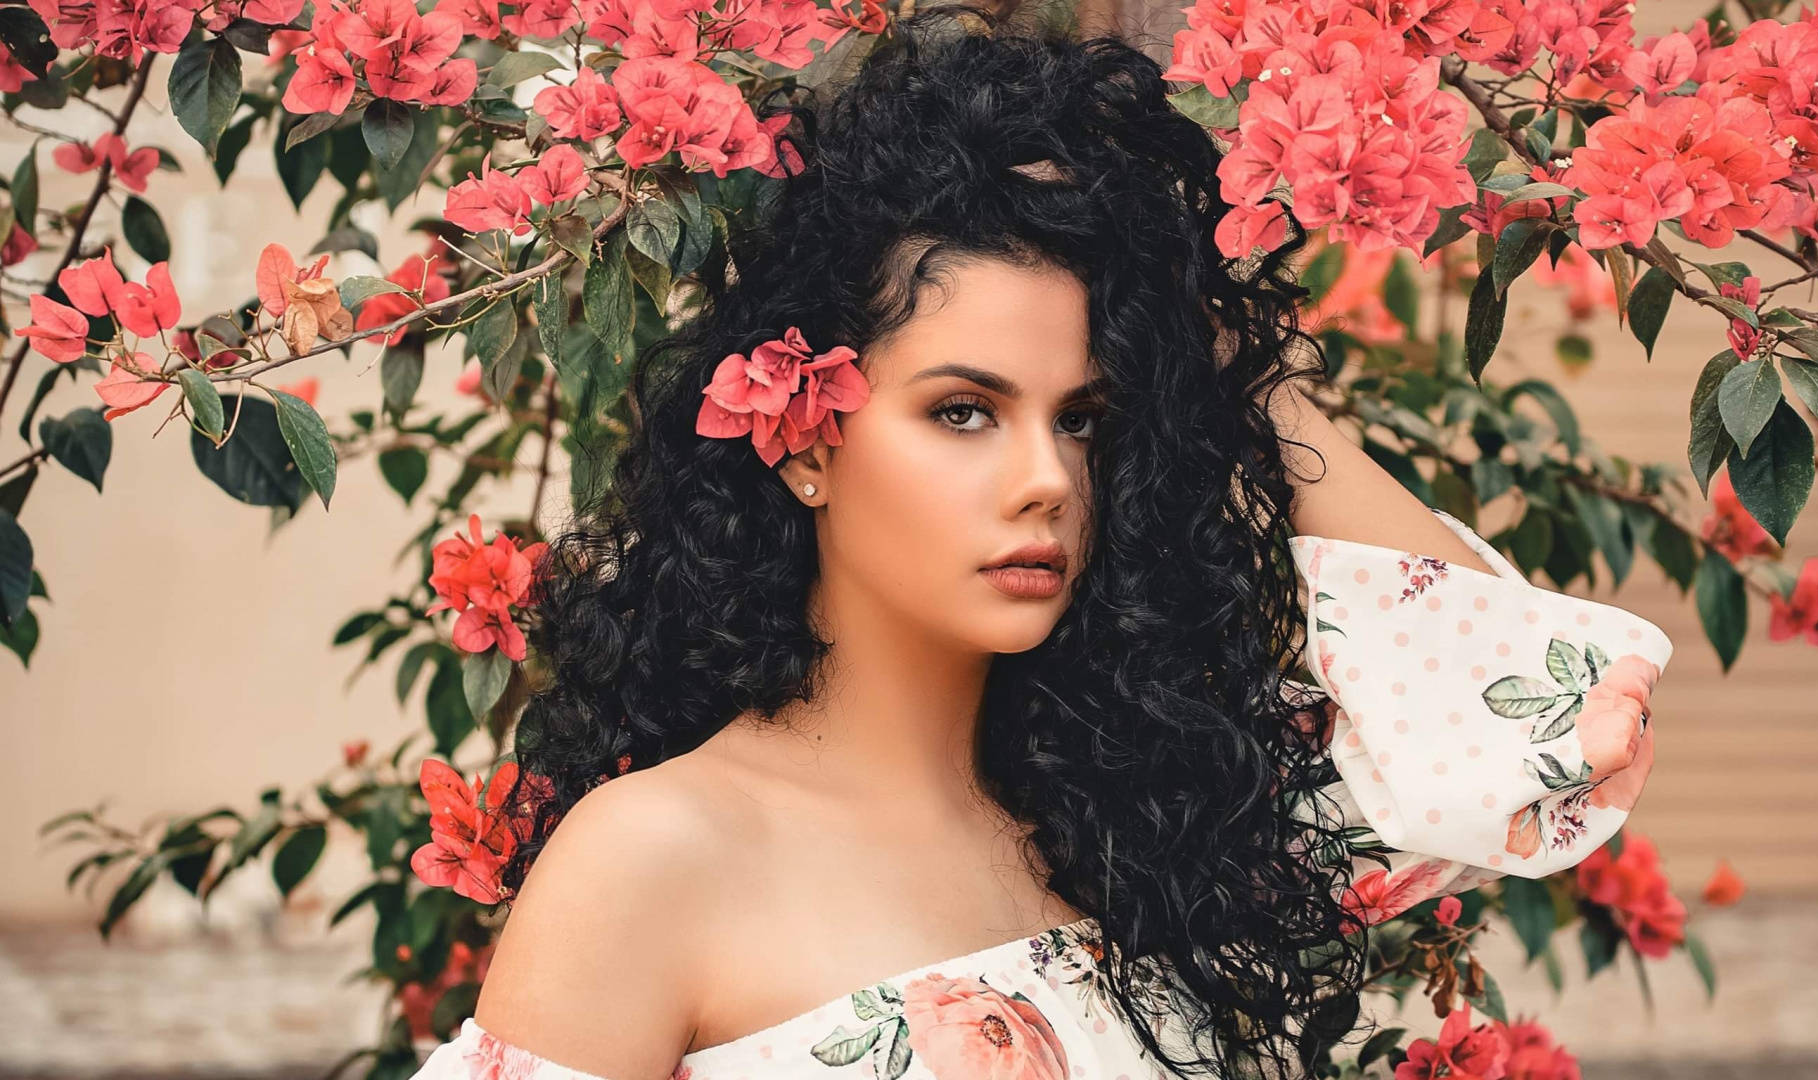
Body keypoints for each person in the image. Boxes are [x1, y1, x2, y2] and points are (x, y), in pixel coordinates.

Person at [408, 7, 1673, 1080]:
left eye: (1085, 420)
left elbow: (1540, 729)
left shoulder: (1132, 817)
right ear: (803, 437)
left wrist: (1215, 360)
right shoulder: (655, 858)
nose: (1045, 481)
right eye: (963, 412)